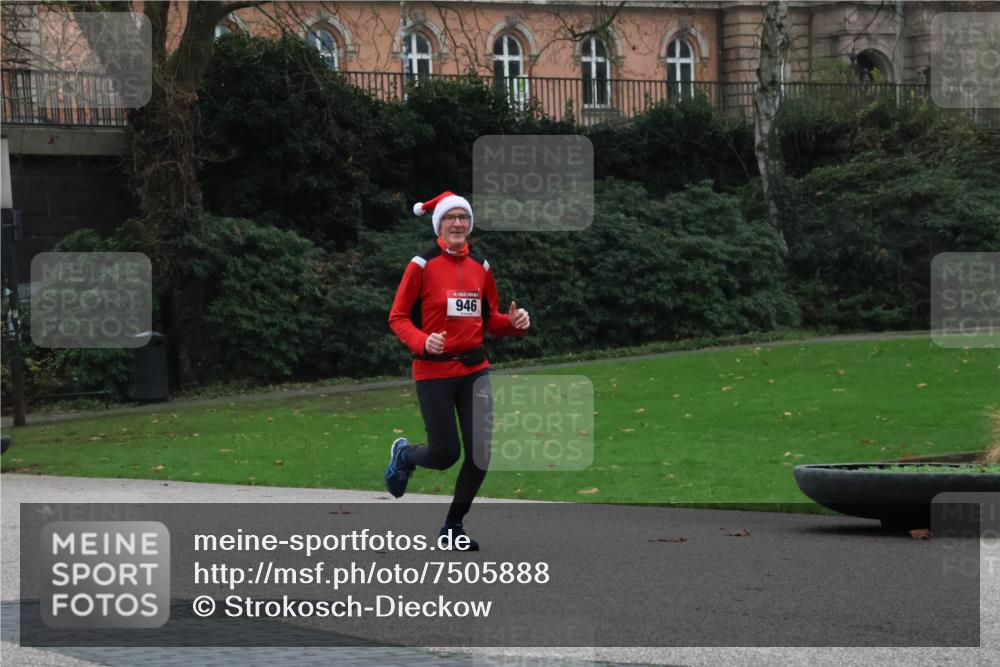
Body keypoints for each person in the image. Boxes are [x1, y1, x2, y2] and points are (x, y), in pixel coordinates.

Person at [386, 191, 530, 551]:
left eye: (463, 218)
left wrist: (513, 323)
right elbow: (398, 317)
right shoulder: (421, 265)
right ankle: (404, 455)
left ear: (469, 224)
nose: (457, 223)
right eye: (450, 217)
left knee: (481, 452)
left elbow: (489, 319)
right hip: (434, 372)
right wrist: (422, 342)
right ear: (439, 224)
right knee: (445, 453)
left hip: (475, 370)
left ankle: (453, 526)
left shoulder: (481, 266)